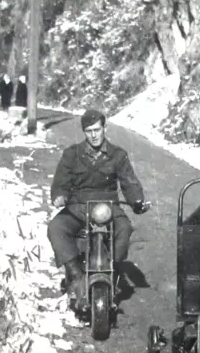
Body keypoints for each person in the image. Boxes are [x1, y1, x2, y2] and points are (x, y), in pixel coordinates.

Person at [47, 108, 148, 308]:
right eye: (89, 131)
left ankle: (113, 269)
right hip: (78, 207)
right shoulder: (71, 154)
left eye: (97, 129)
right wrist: (59, 196)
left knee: (124, 228)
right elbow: (61, 182)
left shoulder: (118, 155)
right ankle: (75, 274)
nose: (94, 135)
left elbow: (129, 182)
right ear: (84, 132)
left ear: (104, 129)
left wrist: (137, 201)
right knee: (56, 228)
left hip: (109, 207)